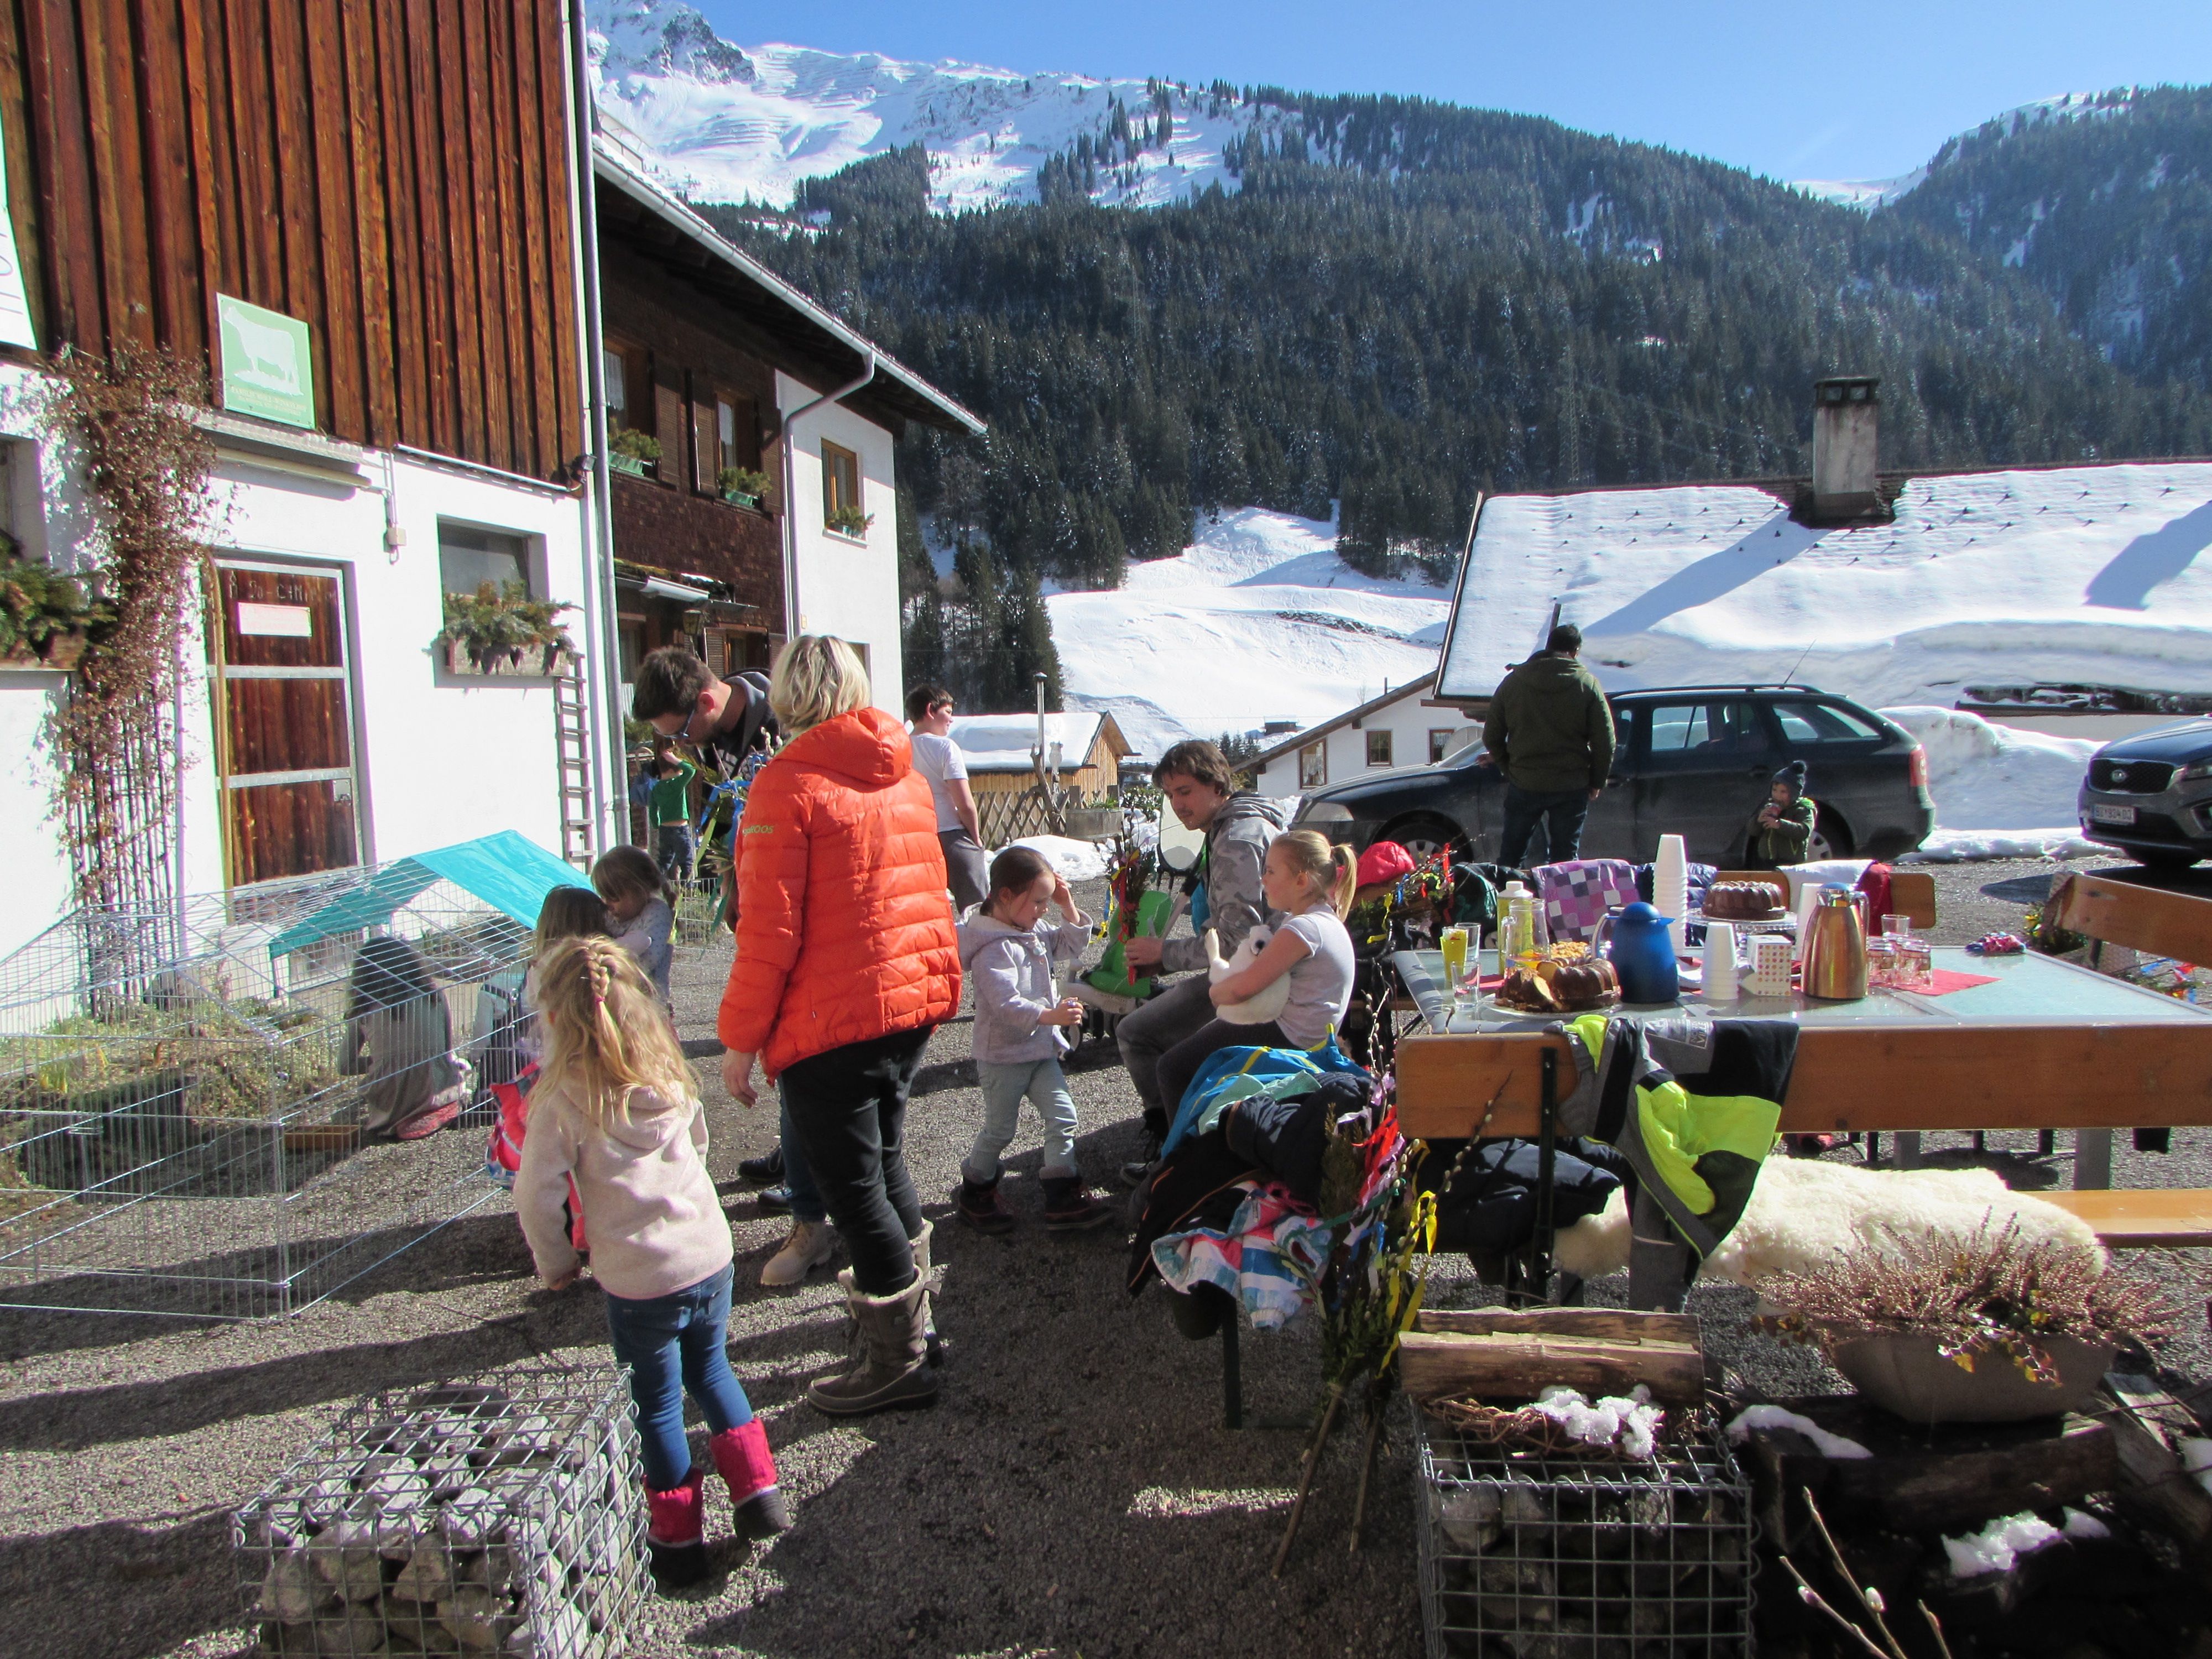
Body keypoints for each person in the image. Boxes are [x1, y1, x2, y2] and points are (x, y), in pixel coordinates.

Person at [718, 636, 959, 1417]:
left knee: (854, 1192)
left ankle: (898, 1360)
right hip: (903, 1007)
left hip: (833, 1019)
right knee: (884, 1167)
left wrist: (740, 1039)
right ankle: (916, 1327)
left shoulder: (786, 785)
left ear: (786, 695)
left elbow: (768, 933)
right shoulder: (905, 775)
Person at [515, 936, 790, 1588]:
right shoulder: (667, 1072)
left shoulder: (562, 1102)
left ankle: (678, 1543)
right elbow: (698, 1144)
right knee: (712, 1370)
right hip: (707, 1253)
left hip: (640, 1279)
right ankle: (759, 1494)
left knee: (659, 1404)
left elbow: (534, 1196)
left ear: (554, 1019)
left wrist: (556, 1262)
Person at [1113, 739, 1285, 1182]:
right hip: (1264, 973)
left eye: (1186, 791)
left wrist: (1165, 955)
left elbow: (1238, 941)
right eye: (1170, 794)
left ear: (1217, 785)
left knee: (1137, 1033)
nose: (1177, 804)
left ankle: (1175, 1155)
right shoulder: (1244, 823)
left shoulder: (1236, 840)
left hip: (1260, 983)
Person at [954, 846, 1115, 1233]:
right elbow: (1006, 1005)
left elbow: (1070, 944)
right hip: (1003, 1058)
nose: (1044, 910)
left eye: (1047, 901)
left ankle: (1063, 1195)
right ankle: (975, 1192)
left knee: (1063, 1117)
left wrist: (1068, 905)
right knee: (1000, 1130)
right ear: (1005, 896)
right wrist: (1050, 1016)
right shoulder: (992, 948)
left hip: (1040, 1053)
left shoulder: (1029, 929)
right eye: (1039, 902)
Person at [1151, 830, 1360, 1125]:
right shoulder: (1325, 920)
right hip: (1311, 1038)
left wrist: (1215, 993)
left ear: (1301, 881)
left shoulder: (1303, 929)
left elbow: (1243, 989)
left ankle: (1182, 1152)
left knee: (1173, 1068)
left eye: (1271, 871)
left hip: (1291, 1040)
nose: (1263, 880)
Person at [1480, 622, 1616, 869]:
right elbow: (1605, 742)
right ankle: (1558, 895)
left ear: (1548, 646)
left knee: (1511, 858)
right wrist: (1597, 781)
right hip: (1571, 785)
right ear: (1575, 652)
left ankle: (1507, 892)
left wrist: (1510, 769)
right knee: (1564, 863)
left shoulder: (1514, 682)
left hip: (1525, 783)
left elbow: (1491, 737)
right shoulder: (1587, 684)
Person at [343, 936, 469, 1141]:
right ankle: (442, 1104)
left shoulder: (363, 1009)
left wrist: (383, 1061)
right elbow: (446, 1051)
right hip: (434, 1085)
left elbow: (345, 1065)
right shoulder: (435, 996)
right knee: (456, 1068)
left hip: (390, 1097)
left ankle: (401, 1117)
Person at [906, 683, 989, 912]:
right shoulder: (946, 747)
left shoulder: (900, 747)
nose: (952, 719)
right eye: (948, 712)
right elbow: (964, 803)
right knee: (977, 909)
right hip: (950, 833)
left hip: (914, 835)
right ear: (930, 710)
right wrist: (975, 838)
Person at [594, 846, 676, 1000]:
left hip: (648, 1003)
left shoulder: (657, 913)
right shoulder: (610, 916)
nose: (607, 904)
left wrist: (608, 968)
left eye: (614, 897)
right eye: (603, 896)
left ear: (640, 890)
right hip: (616, 999)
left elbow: (649, 960)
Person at [645, 744, 698, 889]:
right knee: (686, 862)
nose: (681, 774)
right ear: (671, 771)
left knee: (663, 862)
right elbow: (690, 770)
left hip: (664, 830)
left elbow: (653, 811)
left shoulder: (655, 789)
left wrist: (656, 825)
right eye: (679, 772)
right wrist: (674, 759)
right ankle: (687, 890)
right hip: (680, 829)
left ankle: (655, 886)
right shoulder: (676, 785)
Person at [1746, 760, 1817, 869]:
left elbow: (1804, 831)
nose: (1777, 796)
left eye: (1783, 792)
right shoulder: (1769, 807)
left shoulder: (1802, 809)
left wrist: (1779, 825)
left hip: (1791, 862)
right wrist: (1758, 820)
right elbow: (1753, 831)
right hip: (1767, 860)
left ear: (1793, 794)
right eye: (1775, 790)